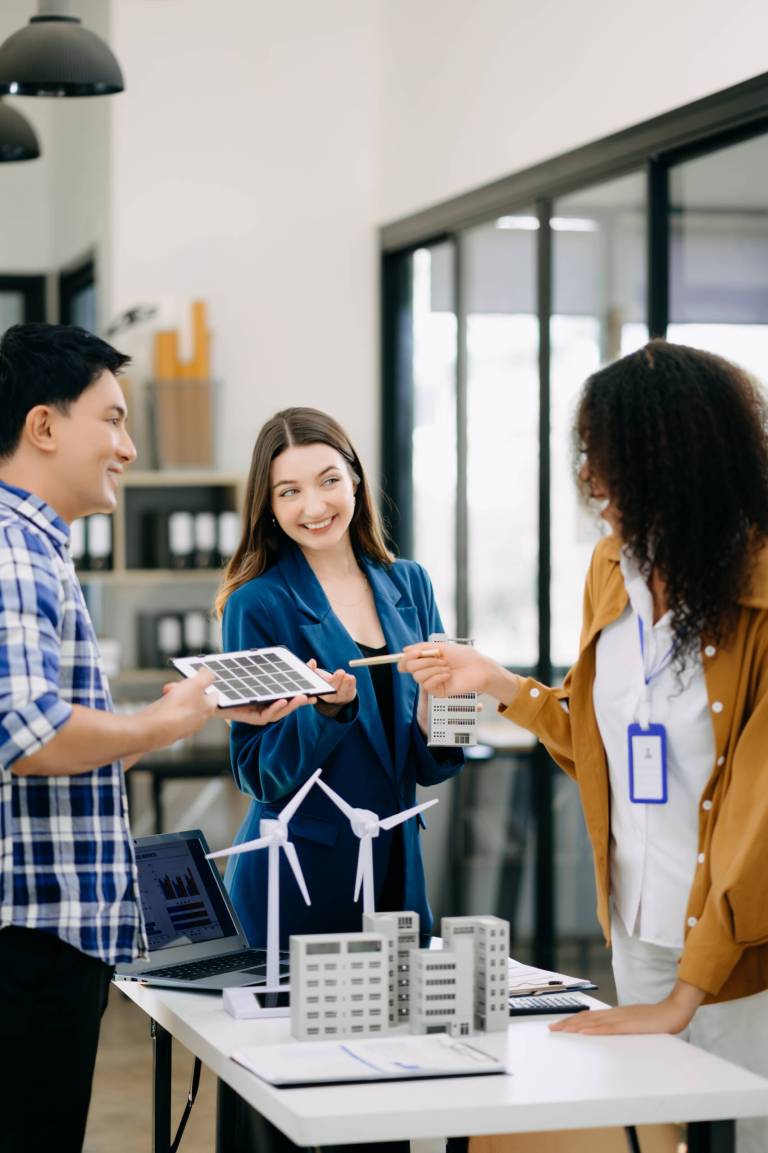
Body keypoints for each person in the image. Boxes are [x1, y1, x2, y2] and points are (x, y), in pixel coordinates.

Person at [400, 340, 768, 1153]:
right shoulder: (613, 566)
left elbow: (758, 812)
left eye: (612, 460)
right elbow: (598, 737)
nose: (593, 481)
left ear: (680, 461)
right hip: (641, 927)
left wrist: (687, 992)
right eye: (589, 456)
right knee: (670, 1137)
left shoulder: (761, 592)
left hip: (742, 949)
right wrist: (497, 680)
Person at [0, 322, 249, 1153]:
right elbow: (29, 735)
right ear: (43, 426)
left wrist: (190, 711)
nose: (130, 446)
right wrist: (166, 717)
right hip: (27, 949)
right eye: (110, 419)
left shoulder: (36, 547)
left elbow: (59, 761)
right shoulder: (12, 550)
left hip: (43, 940)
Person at [215, 406, 463, 950]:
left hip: (397, 874)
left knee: (402, 1035)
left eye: (328, 480)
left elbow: (439, 762)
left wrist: (442, 704)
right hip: (299, 880)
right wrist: (324, 714)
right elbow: (255, 771)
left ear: (355, 479)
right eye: (289, 491)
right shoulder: (256, 604)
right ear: (269, 506)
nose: (314, 506)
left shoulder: (411, 583)